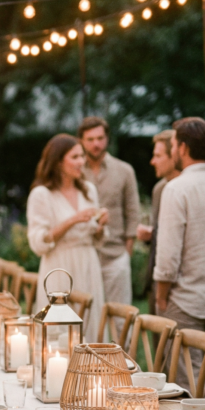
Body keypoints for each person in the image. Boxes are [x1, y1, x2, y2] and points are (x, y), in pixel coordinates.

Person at [27, 134, 109, 340]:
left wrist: (100, 225)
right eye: (75, 157)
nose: (82, 161)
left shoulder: (88, 190)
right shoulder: (41, 194)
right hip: (59, 267)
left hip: (88, 264)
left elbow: (95, 236)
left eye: (82, 156)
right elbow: (38, 241)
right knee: (59, 332)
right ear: (58, 161)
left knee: (90, 326)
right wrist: (73, 220)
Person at [153, 117, 205, 389]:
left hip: (185, 300)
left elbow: (168, 255)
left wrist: (161, 297)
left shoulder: (176, 188)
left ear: (183, 148)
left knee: (188, 386)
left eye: (173, 145)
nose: (173, 150)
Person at [78, 116, 140, 307]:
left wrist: (126, 253)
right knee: (86, 315)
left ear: (107, 139)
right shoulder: (75, 172)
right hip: (84, 256)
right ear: (81, 141)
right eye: (90, 139)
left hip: (115, 256)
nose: (96, 144)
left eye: (100, 138)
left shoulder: (124, 170)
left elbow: (133, 212)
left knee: (121, 316)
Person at [136, 130, 181, 313]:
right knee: (158, 341)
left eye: (157, 155)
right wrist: (149, 236)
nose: (152, 161)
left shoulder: (189, 189)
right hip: (156, 279)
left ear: (175, 156)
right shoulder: (159, 189)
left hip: (181, 287)